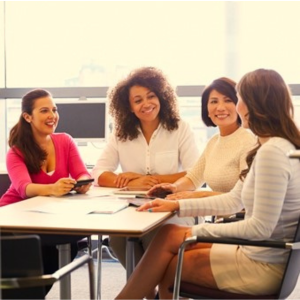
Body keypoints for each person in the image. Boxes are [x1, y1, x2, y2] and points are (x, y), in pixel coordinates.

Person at [115, 68, 300, 299]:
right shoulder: (271, 146)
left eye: (238, 98)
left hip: (262, 265)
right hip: (260, 253)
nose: (237, 106)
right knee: (169, 234)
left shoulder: (272, 152)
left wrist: (194, 230)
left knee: (171, 265)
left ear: (253, 104)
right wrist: (177, 206)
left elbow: (259, 228)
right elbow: (234, 200)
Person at [91, 66, 199, 298]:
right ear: (128, 107)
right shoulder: (121, 133)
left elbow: (194, 173)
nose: (146, 103)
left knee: (154, 235)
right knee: (118, 240)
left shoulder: (180, 128)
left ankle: (159, 292)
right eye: (137, 100)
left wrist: (150, 181)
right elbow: (100, 172)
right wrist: (130, 184)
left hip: (172, 207)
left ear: (161, 96)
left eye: (151, 96)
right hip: (133, 208)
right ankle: (151, 294)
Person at [0, 89, 92, 294]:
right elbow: (24, 189)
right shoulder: (16, 151)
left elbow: (82, 172)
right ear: (28, 116)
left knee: (68, 247)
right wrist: (53, 188)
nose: (52, 116)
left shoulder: (65, 141)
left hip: (46, 218)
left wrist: (84, 182)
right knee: (39, 260)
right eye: (44, 111)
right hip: (13, 218)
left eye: (54, 109)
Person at [148, 77, 256, 209]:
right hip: (220, 218)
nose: (220, 107)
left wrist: (197, 195)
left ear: (239, 106)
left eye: (228, 100)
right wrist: (174, 187)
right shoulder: (214, 142)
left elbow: (243, 197)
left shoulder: (248, 142)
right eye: (214, 101)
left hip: (240, 220)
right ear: (207, 110)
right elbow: (193, 178)